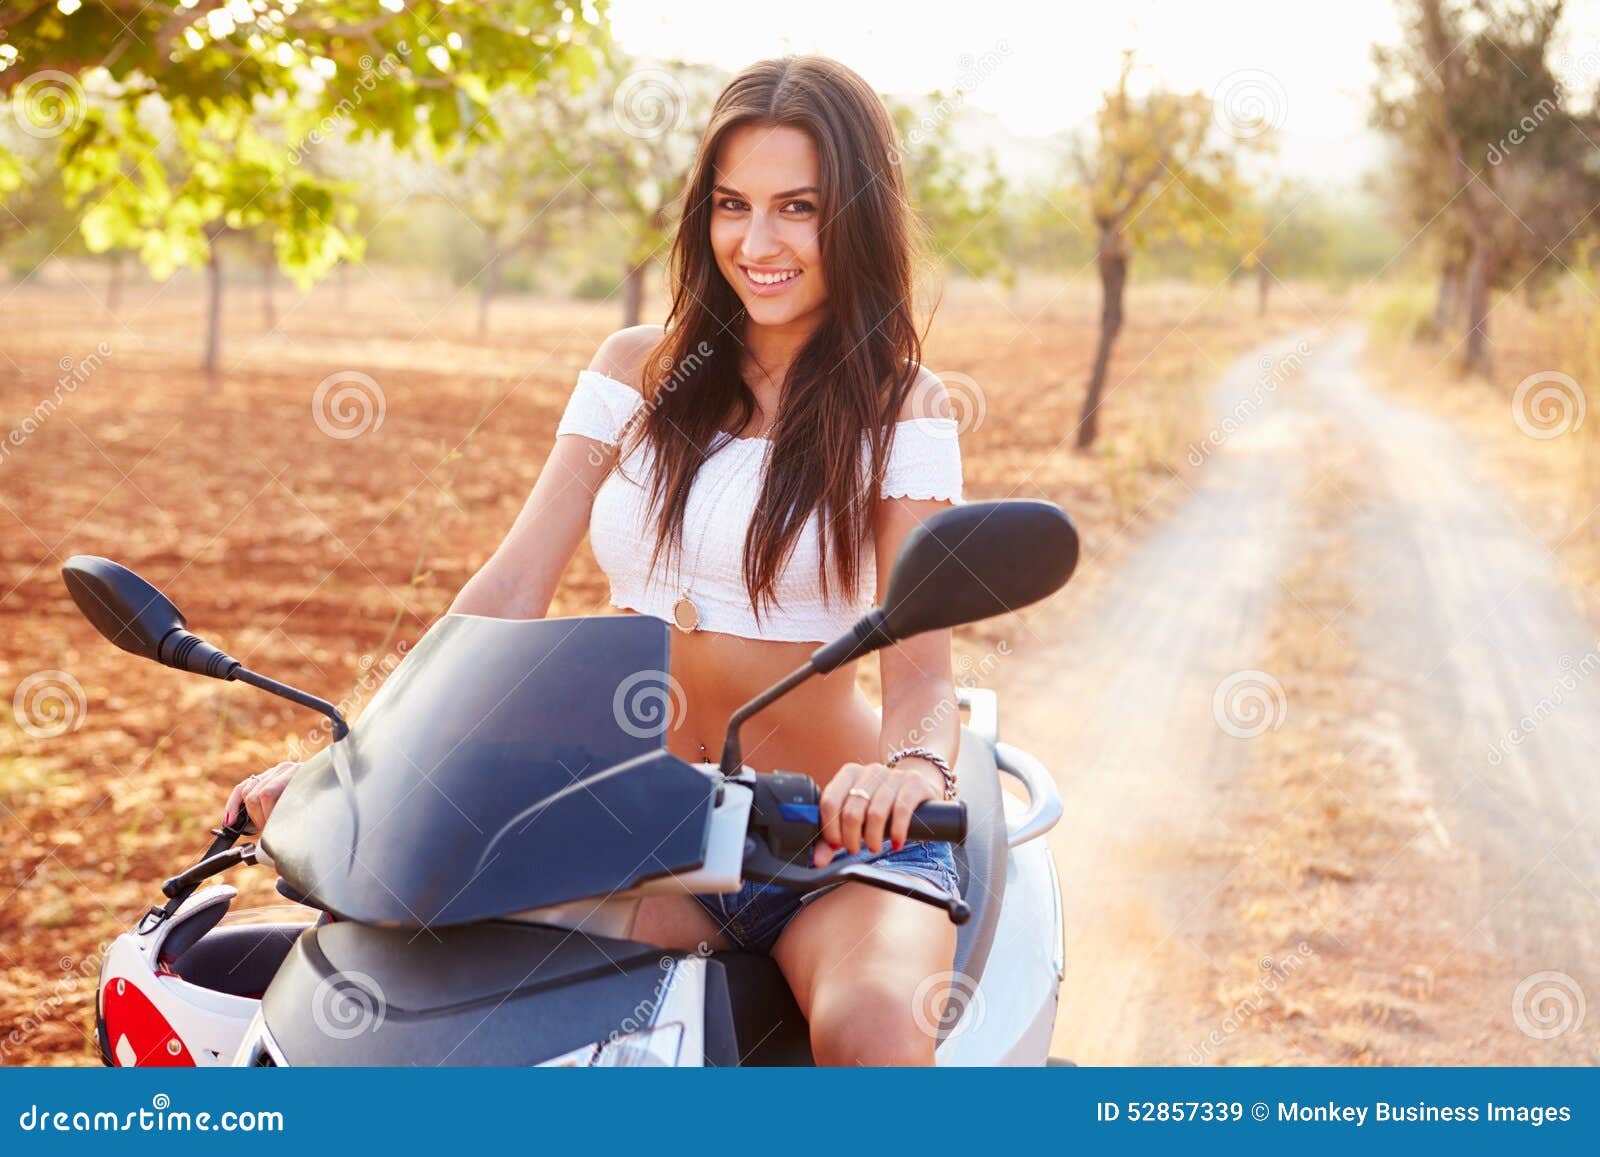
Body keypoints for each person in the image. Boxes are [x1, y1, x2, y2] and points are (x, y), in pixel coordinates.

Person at [225, 55, 967, 1066]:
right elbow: (512, 582)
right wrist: (366, 758)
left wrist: (909, 769)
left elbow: (922, 664)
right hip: (631, 818)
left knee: (874, 1026)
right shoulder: (637, 369)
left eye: (799, 207)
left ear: (857, 218)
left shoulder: (902, 408)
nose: (758, 243)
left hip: (828, 842)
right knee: (403, 967)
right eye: (731, 205)